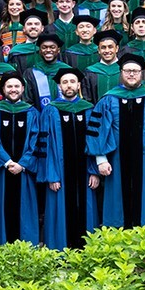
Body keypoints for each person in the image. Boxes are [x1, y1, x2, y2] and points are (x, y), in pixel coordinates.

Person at [86, 53, 145, 228]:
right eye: (127, 71)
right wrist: (101, 159)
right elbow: (99, 130)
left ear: (142, 73)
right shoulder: (109, 98)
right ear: (121, 72)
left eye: (135, 71)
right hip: (117, 160)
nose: (131, 74)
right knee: (118, 201)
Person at [0, 71, 41, 244]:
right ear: (3, 90)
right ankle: (0, 249)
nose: (13, 89)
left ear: (22, 89)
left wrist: (23, 164)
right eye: (9, 86)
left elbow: (36, 141)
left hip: (24, 172)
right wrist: (7, 162)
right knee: (0, 210)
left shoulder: (32, 113)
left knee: (25, 212)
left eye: (16, 86)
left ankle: (27, 250)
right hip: (1, 171)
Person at [39, 68, 97, 249]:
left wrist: (94, 171)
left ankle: (86, 250)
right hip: (59, 174)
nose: (69, 85)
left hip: (85, 172)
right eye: (65, 82)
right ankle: (60, 250)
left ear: (79, 85)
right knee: (60, 210)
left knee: (85, 209)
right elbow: (45, 146)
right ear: (59, 86)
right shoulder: (50, 111)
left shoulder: (89, 109)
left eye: (72, 81)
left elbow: (95, 144)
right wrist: (52, 175)